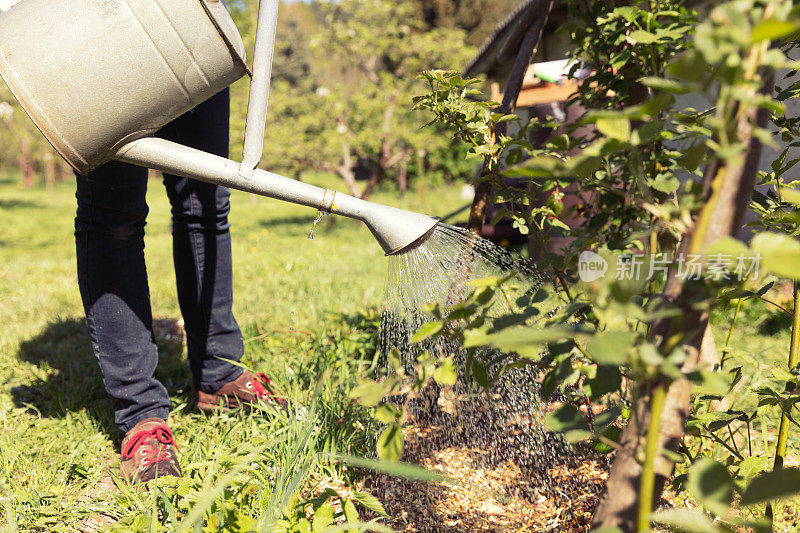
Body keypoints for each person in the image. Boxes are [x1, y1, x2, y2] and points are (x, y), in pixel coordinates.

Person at [74, 88, 285, 484]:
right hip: (95, 40)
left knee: (205, 201)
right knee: (112, 210)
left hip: (194, 33)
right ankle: (141, 414)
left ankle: (219, 374)